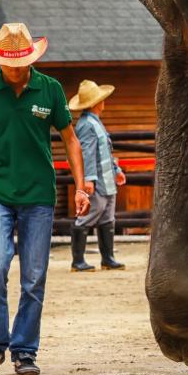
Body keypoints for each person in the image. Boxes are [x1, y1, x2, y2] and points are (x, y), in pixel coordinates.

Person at [0, 22, 89, 375]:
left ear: (32, 57)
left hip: (39, 196)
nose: (15, 69)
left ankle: (25, 349)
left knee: (34, 276)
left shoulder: (50, 89)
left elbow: (70, 139)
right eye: (9, 62)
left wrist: (80, 185)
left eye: (21, 61)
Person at [68, 79, 126, 272]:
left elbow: (105, 151)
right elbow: (87, 152)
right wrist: (89, 178)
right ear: (95, 103)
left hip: (106, 178)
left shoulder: (95, 123)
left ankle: (107, 258)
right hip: (98, 180)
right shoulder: (87, 125)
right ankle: (78, 260)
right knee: (89, 214)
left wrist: (116, 170)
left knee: (107, 217)